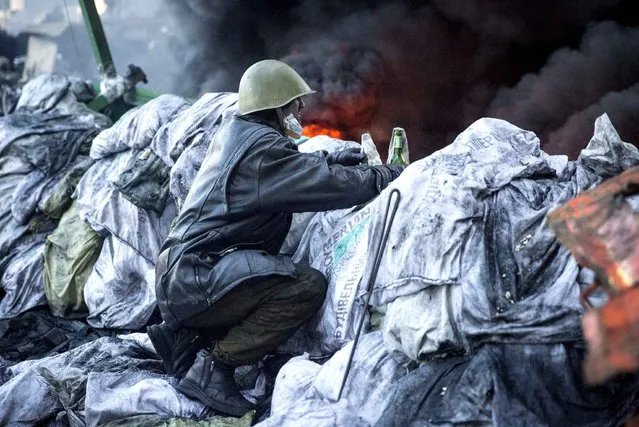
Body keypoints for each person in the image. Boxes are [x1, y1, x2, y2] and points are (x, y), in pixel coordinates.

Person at [148, 59, 404, 416]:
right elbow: (321, 184)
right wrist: (384, 176)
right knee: (305, 285)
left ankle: (192, 342)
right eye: (295, 102)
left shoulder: (242, 135)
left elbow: (297, 168)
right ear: (276, 106)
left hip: (187, 274)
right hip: (198, 275)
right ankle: (214, 368)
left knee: (275, 274)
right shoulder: (261, 151)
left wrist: (336, 157)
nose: (301, 108)